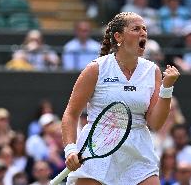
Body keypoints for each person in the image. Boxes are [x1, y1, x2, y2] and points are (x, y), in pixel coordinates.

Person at [62, 12, 180, 185]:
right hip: (98, 147)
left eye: (145, 29)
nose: (143, 33)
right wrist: (71, 149)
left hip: (138, 150)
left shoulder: (152, 71)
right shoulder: (96, 69)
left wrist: (167, 88)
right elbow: (71, 114)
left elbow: (155, 123)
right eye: (136, 29)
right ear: (119, 36)